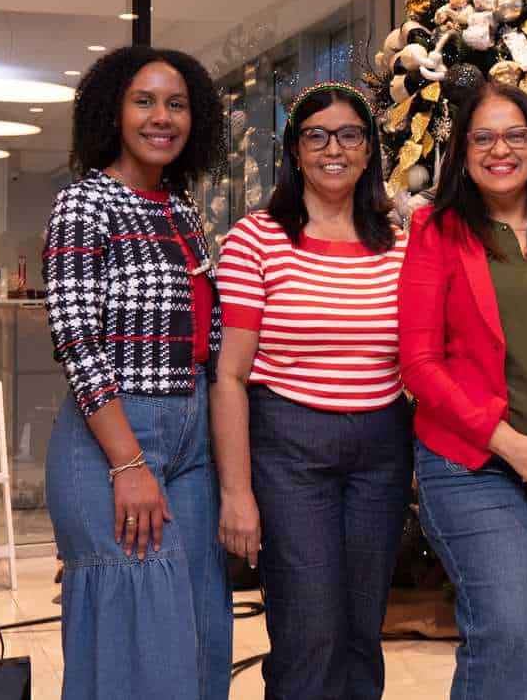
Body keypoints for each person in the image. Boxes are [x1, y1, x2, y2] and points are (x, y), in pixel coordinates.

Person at [398, 82, 527, 700]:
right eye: (483, 137)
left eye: (515, 135)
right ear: (462, 151)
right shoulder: (435, 229)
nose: (501, 150)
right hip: (472, 466)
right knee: (509, 633)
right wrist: (511, 444)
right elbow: (419, 362)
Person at [42, 45, 231, 700]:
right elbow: (78, 341)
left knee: (201, 628)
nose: (162, 117)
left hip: (192, 438)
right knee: (139, 639)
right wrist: (127, 463)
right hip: (114, 438)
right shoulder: (85, 204)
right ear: (112, 112)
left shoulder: (182, 212)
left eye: (176, 104)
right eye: (144, 101)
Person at [211, 82, 411, 699]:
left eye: (349, 135)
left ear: (369, 149)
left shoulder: (398, 240)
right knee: (308, 632)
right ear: (295, 151)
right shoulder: (258, 238)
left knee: (361, 631)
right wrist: (238, 494)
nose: (333, 149)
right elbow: (230, 376)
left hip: (381, 447)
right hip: (290, 447)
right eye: (315, 135)